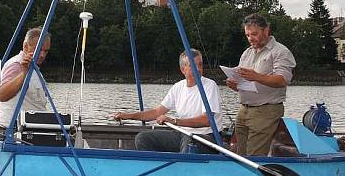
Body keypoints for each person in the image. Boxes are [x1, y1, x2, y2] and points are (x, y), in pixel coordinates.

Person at [113, 49, 222, 153]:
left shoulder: (209, 86)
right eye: (193, 65)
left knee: (189, 142)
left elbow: (206, 120)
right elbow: (157, 112)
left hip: (207, 138)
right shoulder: (178, 87)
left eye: (200, 65)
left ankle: (182, 169)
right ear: (183, 70)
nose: (198, 69)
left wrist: (174, 121)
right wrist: (128, 116)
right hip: (182, 134)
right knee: (142, 138)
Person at [226, 13, 296, 156]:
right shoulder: (247, 53)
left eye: (254, 34)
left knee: (254, 156)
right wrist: (234, 85)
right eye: (247, 35)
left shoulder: (280, 51)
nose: (250, 38)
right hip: (243, 110)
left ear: (266, 30)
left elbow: (282, 80)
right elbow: (243, 80)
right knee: (239, 155)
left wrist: (257, 77)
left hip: (266, 111)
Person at [0, 27, 51, 128]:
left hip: (33, 130)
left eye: (46, 51)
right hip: (15, 133)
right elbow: (2, 95)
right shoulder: (16, 65)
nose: (43, 55)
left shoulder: (34, 68)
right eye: (38, 49)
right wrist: (24, 73)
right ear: (25, 46)